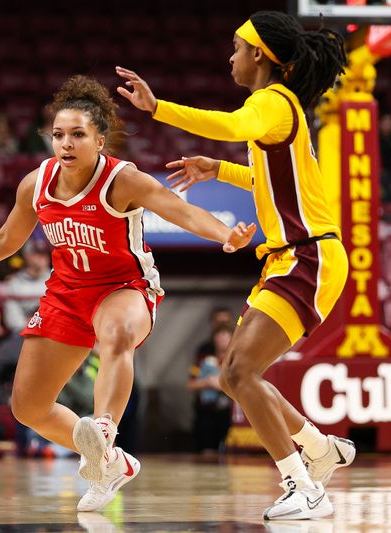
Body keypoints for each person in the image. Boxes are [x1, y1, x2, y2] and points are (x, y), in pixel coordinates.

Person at [0, 75, 255, 512]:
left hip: (125, 288)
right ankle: (109, 462)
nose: (65, 143)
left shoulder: (123, 180)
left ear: (100, 140)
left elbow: (179, 210)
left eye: (78, 135)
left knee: (117, 333)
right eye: (58, 135)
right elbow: (6, 239)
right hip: (66, 294)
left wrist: (225, 235)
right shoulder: (36, 184)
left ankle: (104, 429)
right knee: (28, 406)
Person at [116, 10, 354, 520]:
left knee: (241, 371)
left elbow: (227, 124)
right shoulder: (277, 110)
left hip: (307, 255)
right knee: (233, 375)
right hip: (295, 258)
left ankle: (304, 487)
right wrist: (217, 169)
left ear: (260, 55)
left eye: (237, 48)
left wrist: (158, 108)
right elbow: (268, 181)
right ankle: (318, 448)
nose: (230, 57)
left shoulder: (269, 102)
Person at [188, 323, 233, 454]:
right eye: (219, 336)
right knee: (207, 449)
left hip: (229, 412)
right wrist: (207, 382)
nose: (222, 339)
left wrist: (222, 386)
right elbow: (191, 384)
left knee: (229, 449)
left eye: (226, 336)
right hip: (206, 411)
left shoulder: (236, 360)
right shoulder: (203, 359)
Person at [2, 240, 51, 332]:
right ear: (27, 256)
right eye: (38, 253)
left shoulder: (57, 279)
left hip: (51, 331)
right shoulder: (14, 282)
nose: (43, 257)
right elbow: (12, 318)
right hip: (23, 332)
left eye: (45, 254)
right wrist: (31, 325)